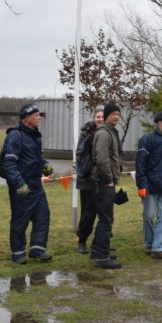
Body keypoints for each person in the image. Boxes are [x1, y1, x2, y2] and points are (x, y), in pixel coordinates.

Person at [2, 104, 54, 264]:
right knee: (20, 220)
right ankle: (18, 254)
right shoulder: (15, 136)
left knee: (43, 216)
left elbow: (37, 157)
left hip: (36, 185)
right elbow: (9, 163)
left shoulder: (35, 136)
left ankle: (37, 250)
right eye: (36, 115)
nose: (39, 118)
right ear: (27, 117)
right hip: (22, 187)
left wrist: (45, 165)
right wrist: (19, 184)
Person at [136, 111, 162, 259]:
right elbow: (140, 163)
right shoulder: (147, 139)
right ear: (160, 122)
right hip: (150, 186)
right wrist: (141, 185)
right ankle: (149, 244)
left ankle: (158, 247)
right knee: (148, 216)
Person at [89, 103, 124, 269]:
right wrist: (109, 179)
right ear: (107, 116)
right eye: (113, 114)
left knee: (104, 218)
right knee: (106, 220)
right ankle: (102, 257)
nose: (116, 117)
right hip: (103, 182)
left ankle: (97, 250)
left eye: (118, 114)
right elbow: (102, 158)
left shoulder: (111, 131)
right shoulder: (104, 133)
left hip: (105, 181)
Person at [74, 105, 104, 253]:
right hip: (87, 179)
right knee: (88, 212)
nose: (100, 119)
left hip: (104, 178)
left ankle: (100, 242)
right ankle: (82, 240)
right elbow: (79, 154)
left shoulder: (110, 132)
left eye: (103, 117)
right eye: (98, 116)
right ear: (94, 118)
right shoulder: (86, 133)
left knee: (104, 212)